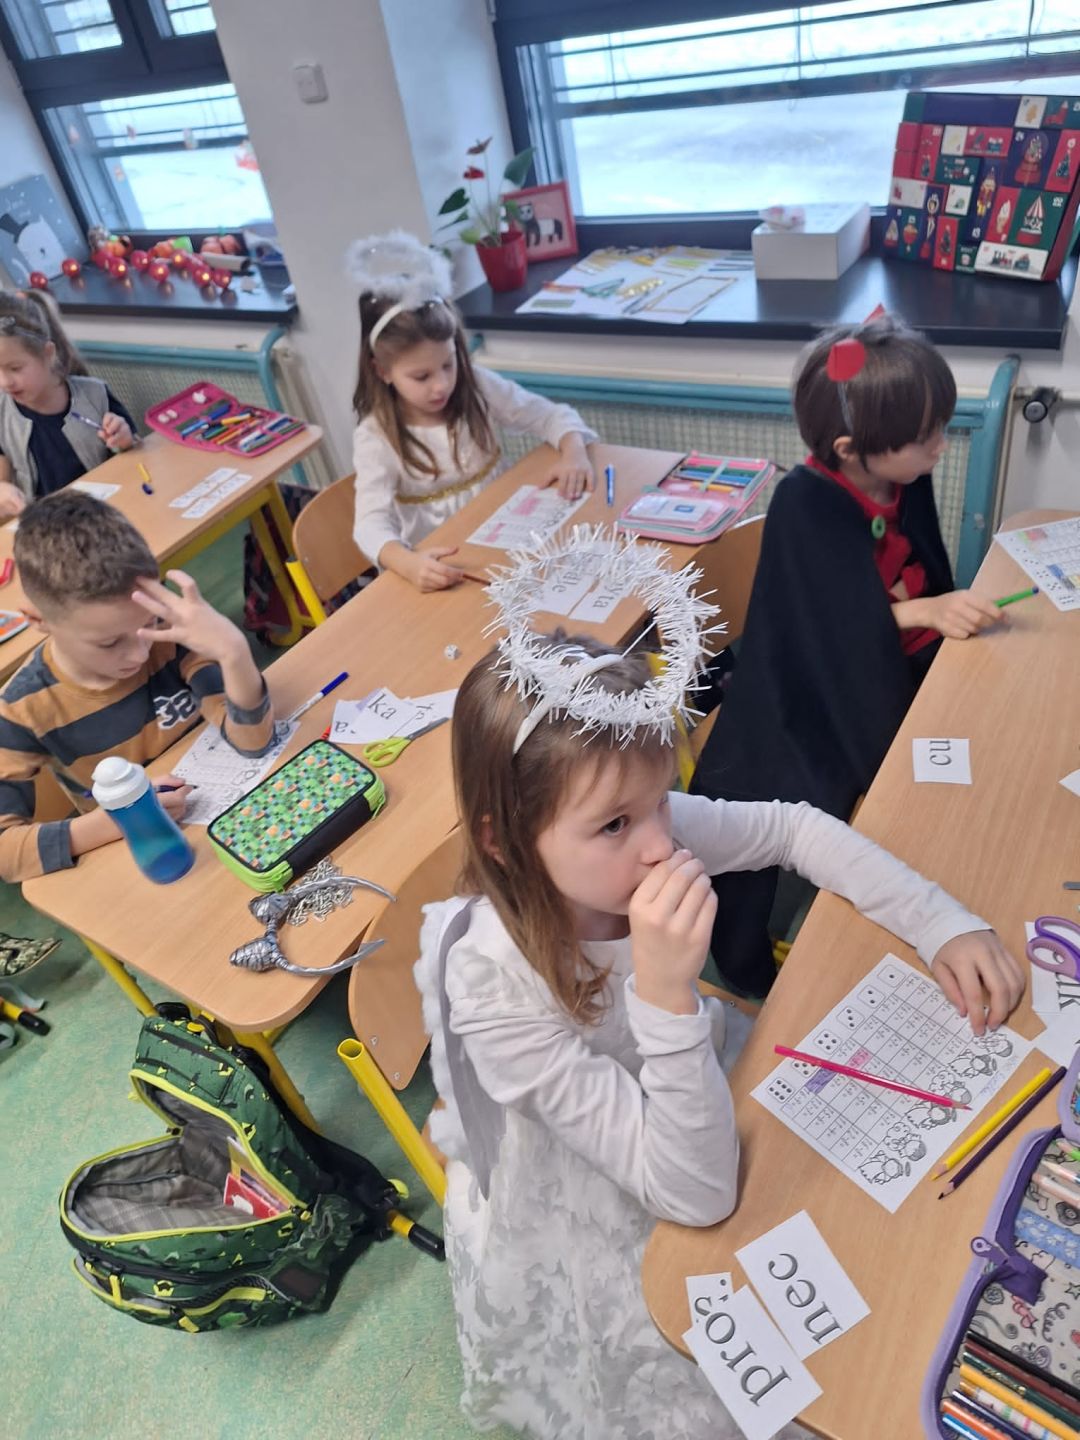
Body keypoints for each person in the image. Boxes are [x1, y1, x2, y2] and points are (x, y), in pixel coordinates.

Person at [413, 536, 1023, 1440]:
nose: (662, 842)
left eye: (662, 799)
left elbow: (796, 830)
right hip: (613, 1173)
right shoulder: (495, 991)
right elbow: (695, 1196)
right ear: (504, 841)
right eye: (616, 825)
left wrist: (941, 920)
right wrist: (667, 998)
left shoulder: (636, 825)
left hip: (690, 1089)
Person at [691, 316, 1002, 998]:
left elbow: (918, 570)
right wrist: (919, 611)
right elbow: (815, 632)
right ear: (851, 449)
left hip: (888, 666)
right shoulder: (805, 503)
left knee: (977, 747)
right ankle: (747, 971)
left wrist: (923, 607)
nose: (941, 448)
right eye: (926, 438)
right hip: (808, 698)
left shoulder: (903, 475)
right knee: (858, 808)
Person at [0, 490, 274, 882]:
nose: (140, 652)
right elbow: (6, 856)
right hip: (146, 853)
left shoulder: (171, 631)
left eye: (148, 624)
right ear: (37, 620)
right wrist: (126, 816)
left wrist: (234, 652)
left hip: (232, 813)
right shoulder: (21, 709)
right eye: (110, 643)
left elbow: (253, 740)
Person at [347, 231, 596, 591]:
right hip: (445, 570)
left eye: (448, 365)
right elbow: (369, 524)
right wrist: (406, 562)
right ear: (382, 371)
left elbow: (548, 415)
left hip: (511, 547)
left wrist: (574, 451)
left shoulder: (476, 385)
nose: (441, 385)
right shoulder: (375, 436)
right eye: (421, 376)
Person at [0, 289, 137, 515]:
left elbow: (131, 455)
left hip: (106, 516)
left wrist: (123, 441)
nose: (5, 382)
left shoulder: (95, 395)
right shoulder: (3, 414)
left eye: (15, 368)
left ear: (48, 353)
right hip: (43, 526)